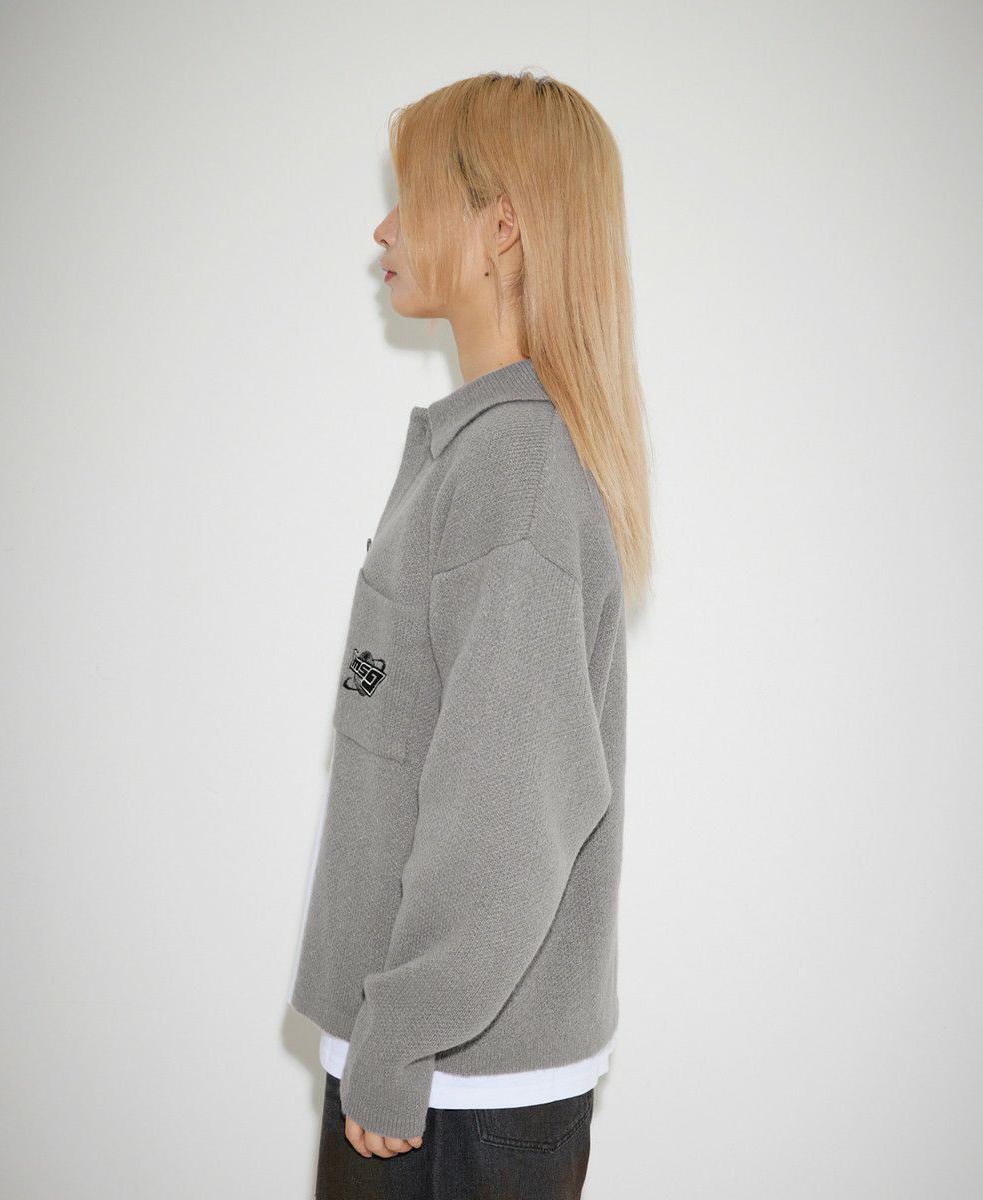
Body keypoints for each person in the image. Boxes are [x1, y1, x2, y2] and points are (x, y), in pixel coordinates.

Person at [287, 68, 653, 1199]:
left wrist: (399, 1037)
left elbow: (509, 805)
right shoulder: (485, 453)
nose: (383, 230)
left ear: (500, 227)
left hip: (454, 1089)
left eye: (410, 199)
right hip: (442, 1072)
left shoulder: (514, 468)